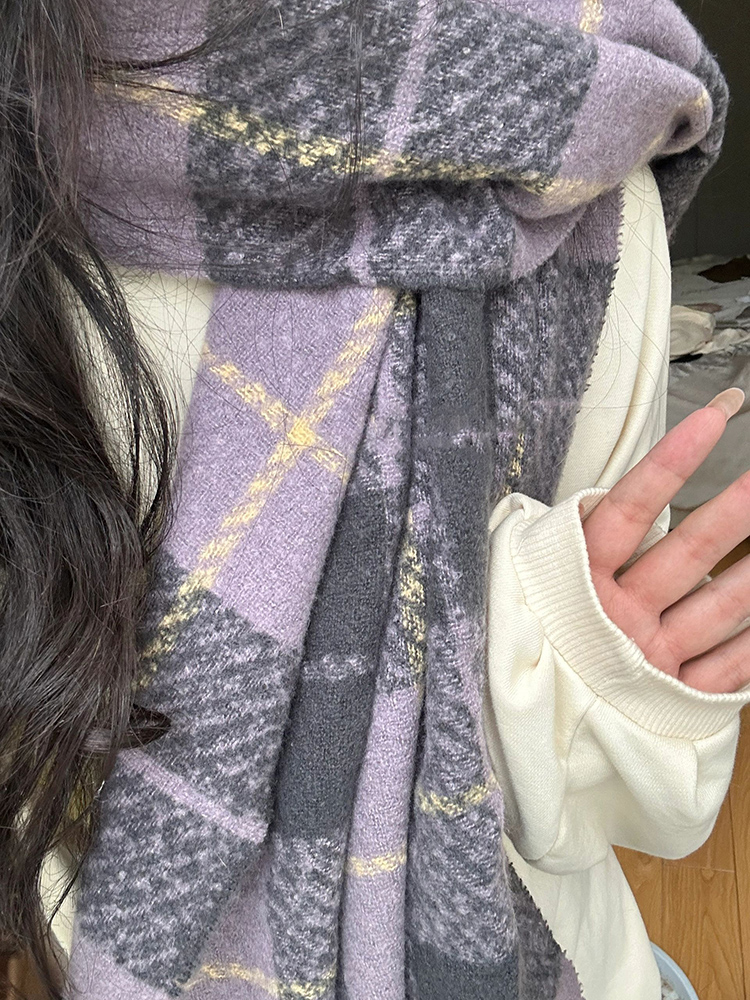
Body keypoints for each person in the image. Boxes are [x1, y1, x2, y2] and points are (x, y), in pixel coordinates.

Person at [1, 1, 748, 999]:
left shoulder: (599, 135)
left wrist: (579, 666)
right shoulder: (35, 179)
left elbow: (638, 772)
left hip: (544, 945)